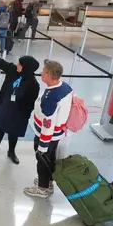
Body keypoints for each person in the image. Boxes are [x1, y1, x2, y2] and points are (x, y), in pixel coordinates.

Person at [0, 51, 40, 164]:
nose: (17, 65)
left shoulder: (33, 84)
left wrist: (25, 116)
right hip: (4, 105)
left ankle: (11, 152)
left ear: (27, 68)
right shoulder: (12, 70)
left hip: (19, 112)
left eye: (20, 64)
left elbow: (31, 103)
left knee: (13, 132)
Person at [24, 60, 73, 199]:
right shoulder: (64, 87)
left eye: (44, 71)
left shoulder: (51, 98)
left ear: (49, 75)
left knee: (42, 160)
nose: (41, 73)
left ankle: (42, 188)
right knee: (50, 159)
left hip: (47, 136)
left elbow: (48, 124)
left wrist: (43, 145)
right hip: (56, 136)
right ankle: (48, 182)